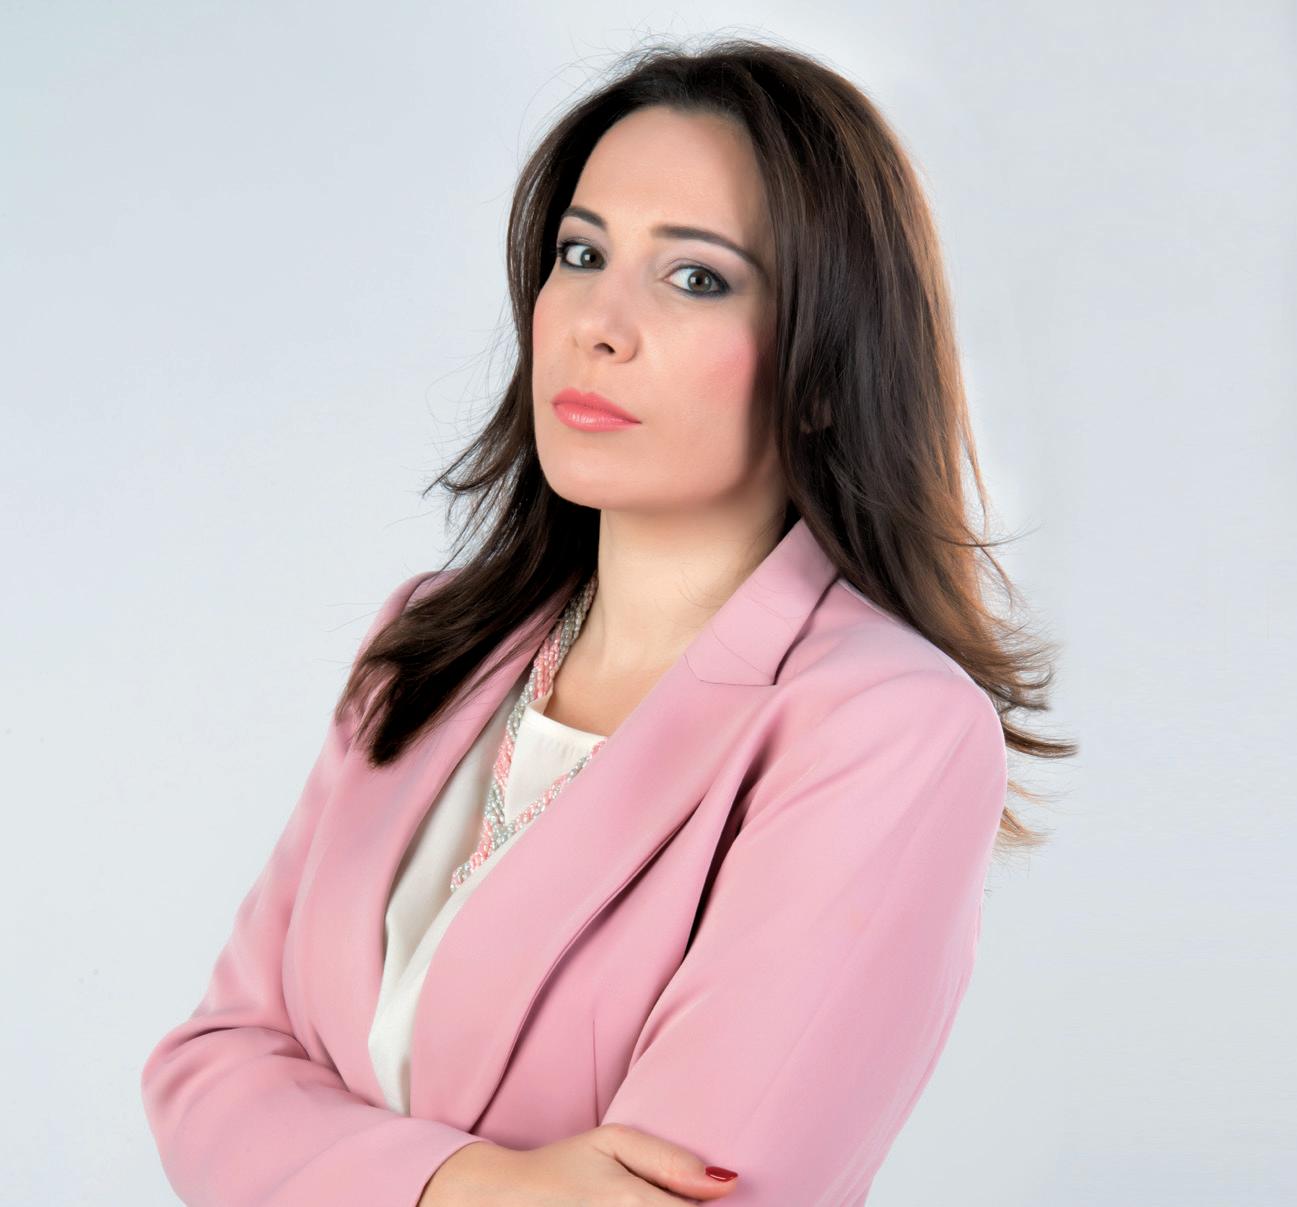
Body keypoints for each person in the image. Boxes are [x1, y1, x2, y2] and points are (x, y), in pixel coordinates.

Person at [141, 35, 1073, 1207]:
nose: (597, 321)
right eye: (580, 254)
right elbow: (208, 1066)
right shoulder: (426, 643)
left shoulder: (883, 727)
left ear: (826, 366)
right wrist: (470, 1187)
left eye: (696, 278)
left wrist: (318, 1158)